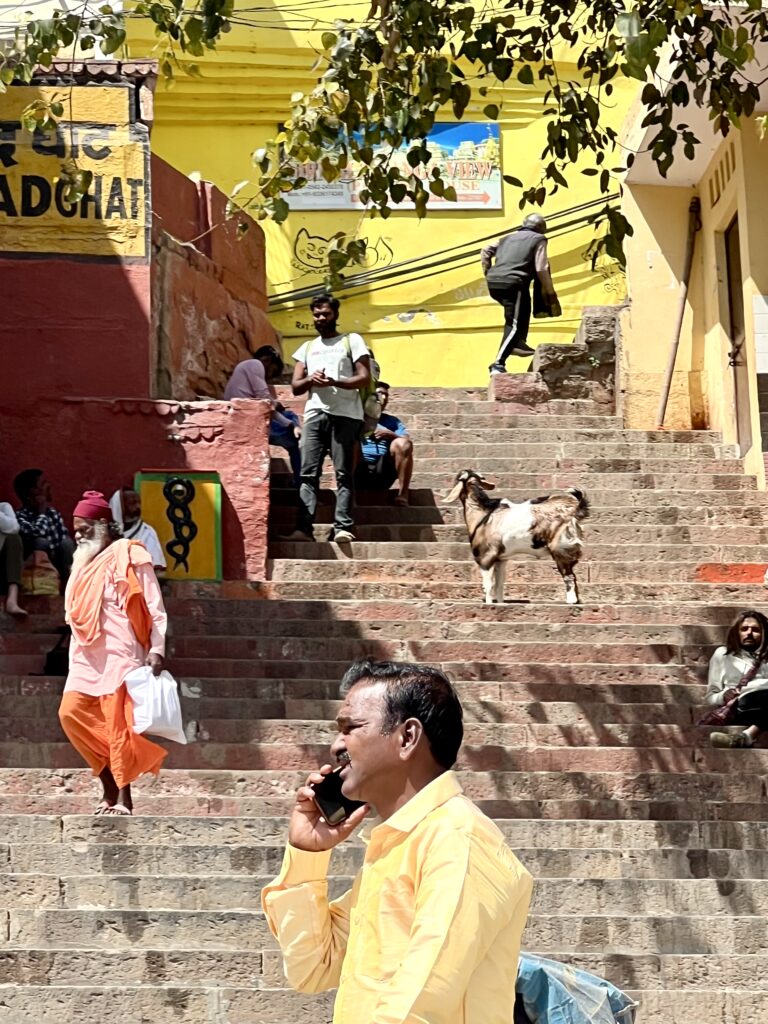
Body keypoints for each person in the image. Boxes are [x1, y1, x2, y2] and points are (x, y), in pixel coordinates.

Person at [262, 659, 533, 1024]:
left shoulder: (457, 840)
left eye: (350, 728)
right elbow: (313, 967)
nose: (336, 746)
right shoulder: (398, 843)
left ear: (407, 738)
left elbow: (419, 1003)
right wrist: (307, 855)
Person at [58, 490, 169, 815]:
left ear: (103, 524)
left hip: (122, 651)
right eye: (75, 528)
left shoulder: (129, 553)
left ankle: (123, 797)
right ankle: (107, 780)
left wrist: (158, 648)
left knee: (118, 724)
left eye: (84, 527)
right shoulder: (80, 563)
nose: (78, 534)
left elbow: (154, 605)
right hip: (84, 654)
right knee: (70, 713)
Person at [284, 294, 371, 543]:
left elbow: (363, 377)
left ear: (336, 315)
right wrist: (312, 379)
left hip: (346, 415)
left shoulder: (351, 341)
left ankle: (343, 526)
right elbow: (296, 387)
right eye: (316, 314)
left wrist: (335, 382)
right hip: (314, 414)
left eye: (325, 314)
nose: (321, 318)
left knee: (343, 473)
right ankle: (303, 529)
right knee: (308, 474)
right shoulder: (307, 348)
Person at [480, 213, 561, 376]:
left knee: (524, 308)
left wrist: (488, 271)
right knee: (514, 323)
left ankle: (518, 343)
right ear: (541, 229)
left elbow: (485, 250)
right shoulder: (539, 239)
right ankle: (497, 364)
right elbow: (541, 268)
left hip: (494, 282)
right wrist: (550, 292)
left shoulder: (506, 238)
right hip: (514, 283)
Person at [224, 344, 303, 488]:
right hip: (249, 420)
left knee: (292, 431)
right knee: (293, 426)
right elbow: (264, 400)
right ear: (268, 360)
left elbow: (265, 403)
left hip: (244, 417)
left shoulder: (244, 368)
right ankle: (301, 483)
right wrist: (292, 425)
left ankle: (299, 480)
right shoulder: (255, 364)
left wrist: (274, 405)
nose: (269, 377)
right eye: (272, 372)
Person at [705, 609, 768, 749]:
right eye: (744, 629)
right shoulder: (723, 655)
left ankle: (746, 737)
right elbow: (710, 696)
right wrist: (723, 695)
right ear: (737, 632)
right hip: (743, 704)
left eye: (755, 630)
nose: (749, 633)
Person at [356, 382, 414, 507]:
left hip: (383, 469)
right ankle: (349, 495)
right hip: (359, 469)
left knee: (402, 443)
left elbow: (407, 443)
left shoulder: (392, 421)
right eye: (379, 393)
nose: (384, 398)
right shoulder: (355, 418)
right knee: (349, 443)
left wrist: (390, 434)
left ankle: (403, 494)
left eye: (386, 395)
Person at [13, 468, 75, 580]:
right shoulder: (20, 517)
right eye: (43, 484)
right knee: (40, 542)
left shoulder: (53, 513)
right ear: (31, 493)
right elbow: (38, 533)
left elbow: (63, 539)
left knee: (67, 543)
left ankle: (69, 585)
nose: (48, 487)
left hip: (57, 563)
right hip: (37, 566)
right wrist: (41, 512)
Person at [109, 487, 167, 572]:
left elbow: (156, 567)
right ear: (120, 506)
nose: (138, 507)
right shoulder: (106, 532)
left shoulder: (146, 532)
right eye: (132, 503)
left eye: (139, 503)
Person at [0, 501, 26, 617]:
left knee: (14, 539)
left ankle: (12, 600)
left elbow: (14, 528)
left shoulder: (4, 507)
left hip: (3, 571)